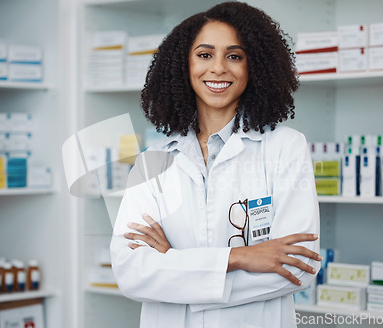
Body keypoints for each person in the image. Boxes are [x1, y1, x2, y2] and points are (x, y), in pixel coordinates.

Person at [110, 2, 321, 327]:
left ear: (255, 66)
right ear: (184, 64)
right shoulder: (152, 161)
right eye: (205, 55)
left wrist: (173, 263)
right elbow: (131, 272)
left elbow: (295, 267)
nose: (219, 68)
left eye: (234, 56)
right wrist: (239, 258)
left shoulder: (285, 148)